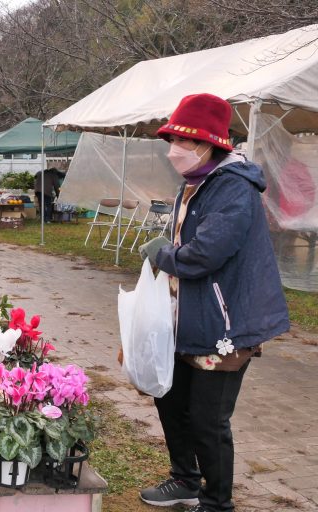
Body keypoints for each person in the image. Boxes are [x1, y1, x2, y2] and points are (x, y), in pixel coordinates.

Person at [137, 93, 290, 512]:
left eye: (184, 144)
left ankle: (217, 501)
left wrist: (162, 255)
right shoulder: (195, 183)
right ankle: (185, 479)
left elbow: (206, 253)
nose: (175, 152)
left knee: (208, 419)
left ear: (209, 146)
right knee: (170, 399)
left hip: (225, 322)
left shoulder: (232, 188)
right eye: (172, 141)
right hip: (188, 316)